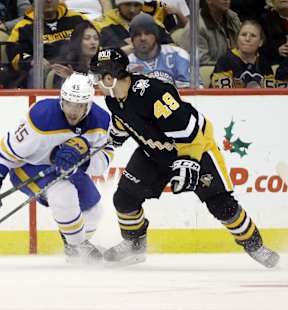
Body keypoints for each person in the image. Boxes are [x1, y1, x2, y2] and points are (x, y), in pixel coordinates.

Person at [90, 47, 280, 268]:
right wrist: (109, 141)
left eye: (96, 76)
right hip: (154, 153)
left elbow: (190, 133)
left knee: (221, 205)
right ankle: (134, 245)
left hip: (194, 148)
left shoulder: (155, 94)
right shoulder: (113, 98)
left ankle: (256, 246)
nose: (94, 82)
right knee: (124, 199)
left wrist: (188, 162)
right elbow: (124, 121)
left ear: (110, 77)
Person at [0, 73, 114, 264]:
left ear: (89, 104)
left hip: (68, 171)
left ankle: (75, 245)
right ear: (61, 100)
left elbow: (104, 159)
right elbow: (6, 151)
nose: (73, 111)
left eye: (79, 105)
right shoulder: (41, 116)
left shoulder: (101, 122)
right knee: (63, 194)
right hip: (29, 168)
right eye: (68, 103)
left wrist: (82, 161)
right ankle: (77, 248)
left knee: (94, 210)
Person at [7, 0, 90, 88]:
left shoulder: (77, 18)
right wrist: (32, 60)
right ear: (34, 2)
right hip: (46, 71)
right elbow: (14, 54)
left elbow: (96, 41)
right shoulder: (23, 27)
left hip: (77, 67)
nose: (48, 1)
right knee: (36, 71)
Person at [127, 13, 190, 88]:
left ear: (156, 35)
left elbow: (191, 93)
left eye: (147, 33)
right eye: (137, 34)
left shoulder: (177, 55)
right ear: (132, 39)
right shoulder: (126, 63)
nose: (142, 38)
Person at [211, 20, 275, 88]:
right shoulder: (225, 61)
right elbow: (223, 94)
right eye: (243, 35)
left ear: (260, 42)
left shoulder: (264, 64)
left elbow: (270, 95)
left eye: (253, 36)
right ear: (237, 38)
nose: (247, 39)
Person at [97, 0, 172, 56]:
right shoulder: (102, 24)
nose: (132, 10)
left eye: (136, 5)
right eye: (127, 4)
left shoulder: (153, 23)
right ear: (119, 5)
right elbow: (97, 55)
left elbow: (173, 49)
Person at [180, 0, 241, 66]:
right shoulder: (196, 27)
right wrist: (229, 68)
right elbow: (200, 63)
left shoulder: (233, 18)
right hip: (209, 73)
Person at [51, 20, 100, 87]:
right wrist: (71, 78)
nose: (93, 42)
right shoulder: (65, 68)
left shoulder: (105, 66)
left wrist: (73, 78)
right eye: (87, 38)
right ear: (77, 42)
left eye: (96, 38)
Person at [260, 0, 288, 66]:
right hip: (275, 66)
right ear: (272, 1)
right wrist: (276, 51)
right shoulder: (264, 20)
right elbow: (260, 49)